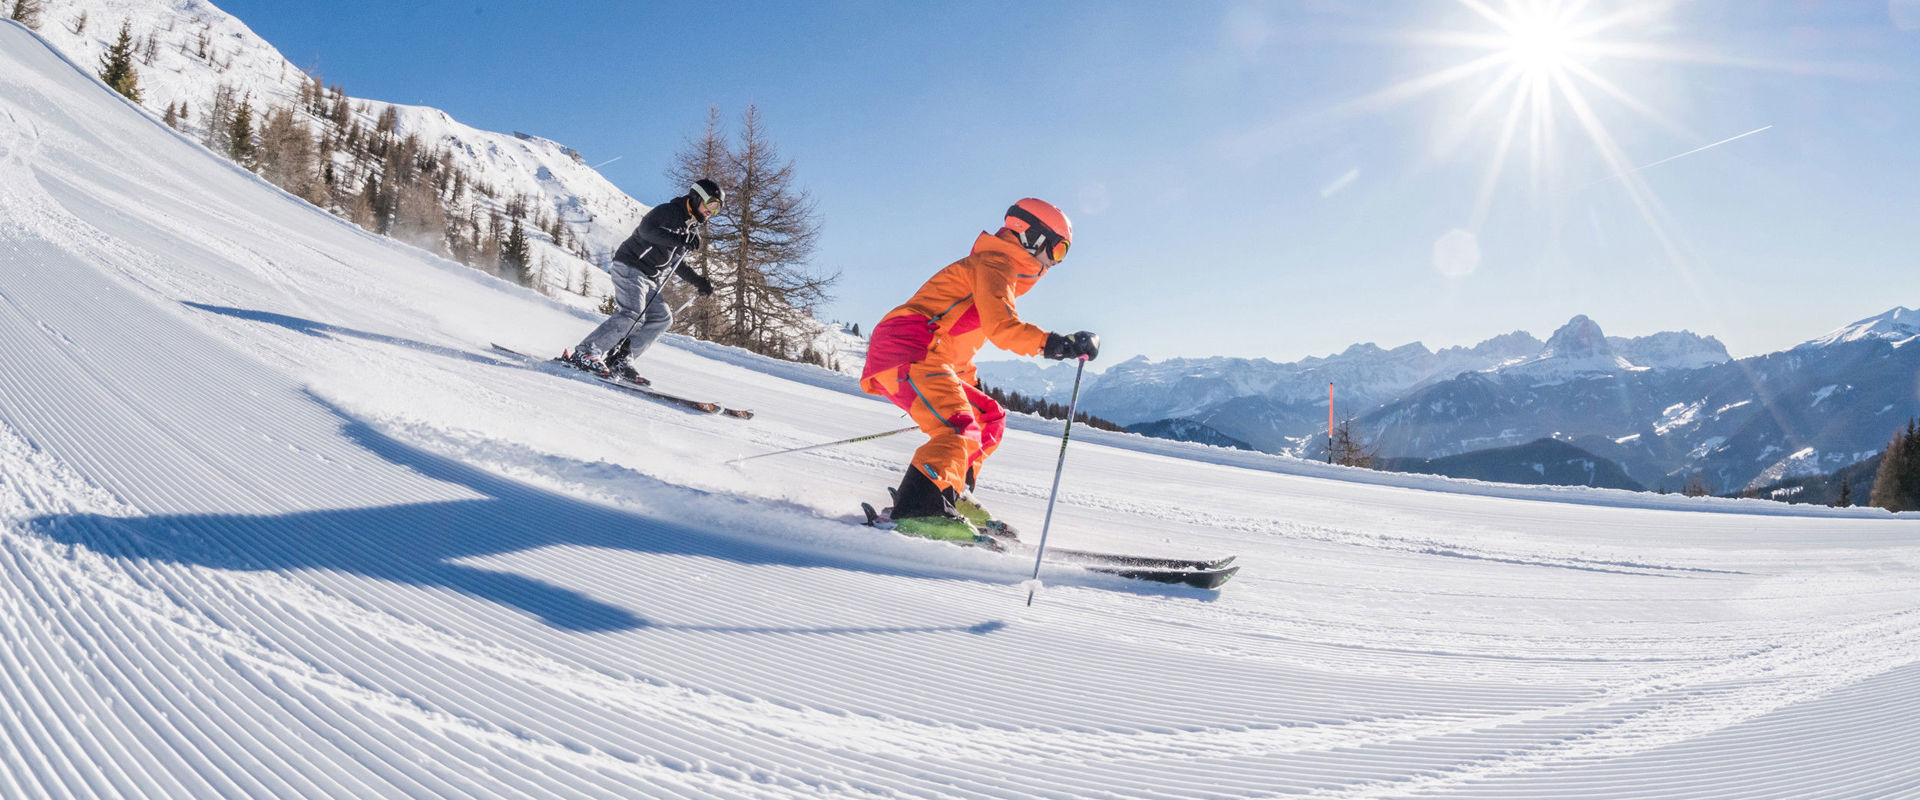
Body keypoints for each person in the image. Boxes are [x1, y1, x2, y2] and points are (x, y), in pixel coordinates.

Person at [860, 198, 1101, 542]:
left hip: (927, 351)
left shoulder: (1001, 270)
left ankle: (951, 493)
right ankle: (918, 509)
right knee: (960, 427)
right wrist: (1057, 343)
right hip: (908, 347)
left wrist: (962, 387)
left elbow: (958, 343)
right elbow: (1002, 328)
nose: (1055, 262)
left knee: (988, 417)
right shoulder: (995, 264)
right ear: (1031, 237)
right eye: (1058, 250)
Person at [567, 179, 721, 382]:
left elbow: (677, 262)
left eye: (717, 208)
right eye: (710, 203)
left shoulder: (690, 228)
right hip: (630, 266)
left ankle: (621, 359)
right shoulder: (669, 211)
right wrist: (680, 240)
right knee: (632, 313)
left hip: (650, 278)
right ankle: (586, 352)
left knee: (662, 319)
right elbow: (647, 230)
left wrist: (698, 281)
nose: (712, 211)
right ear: (697, 197)